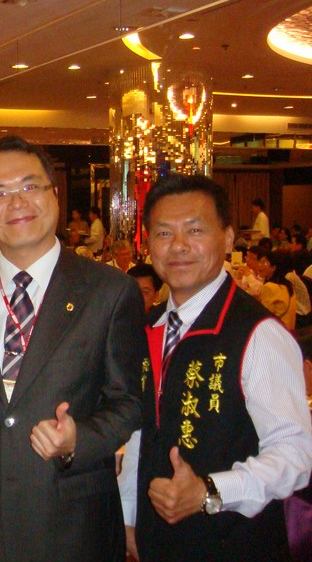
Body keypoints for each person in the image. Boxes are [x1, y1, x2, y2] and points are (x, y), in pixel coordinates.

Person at [0, 135, 147, 561]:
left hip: (75, 523)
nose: (17, 203)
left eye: (30, 186)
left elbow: (130, 402)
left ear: (54, 193)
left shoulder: (110, 291)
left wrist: (78, 438)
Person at [125, 173, 312, 562]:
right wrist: (130, 518)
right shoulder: (150, 327)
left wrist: (210, 490)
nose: (178, 245)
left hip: (235, 543)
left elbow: (295, 454)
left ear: (227, 239)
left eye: (195, 230)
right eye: (163, 233)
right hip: (158, 542)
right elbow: (141, 434)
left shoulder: (257, 333)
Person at [257, 249, 297, 331]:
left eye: (264, 263)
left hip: (276, 332)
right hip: (289, 332)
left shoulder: (269, 287)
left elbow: (263, 318)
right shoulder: (288, 285)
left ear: (273, 268)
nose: (259, 265)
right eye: (260, 261)